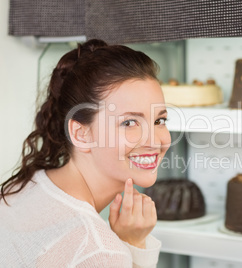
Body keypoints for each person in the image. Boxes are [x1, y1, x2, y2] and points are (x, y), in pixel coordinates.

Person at [0, 39, 171, 267]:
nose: (154, 141)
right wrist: (133, 246)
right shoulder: (98, 252)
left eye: (159, 120)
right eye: (129, 122)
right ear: (81, 134)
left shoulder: (29, 184)